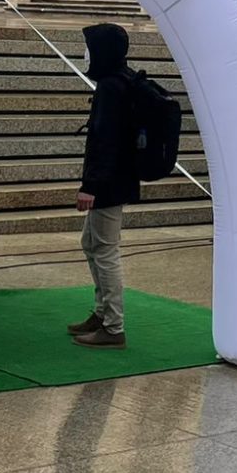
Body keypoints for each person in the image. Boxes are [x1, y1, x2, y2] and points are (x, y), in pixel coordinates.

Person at [68, 22, 140, 349]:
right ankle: (101, 313)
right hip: (116, 180)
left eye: (90, 47)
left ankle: (113, 325)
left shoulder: (112, 88)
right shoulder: (119, 81)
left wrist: (90, 186)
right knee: (91, 243)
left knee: (105, 249)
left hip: (109, 183)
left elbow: (104, 142)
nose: (86, 54)